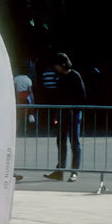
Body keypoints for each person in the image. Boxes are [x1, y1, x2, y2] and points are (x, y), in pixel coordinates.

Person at [44, 52, 86, 182]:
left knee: (74, 142)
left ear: (62, 64)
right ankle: (60, 170)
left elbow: (82, 96)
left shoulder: (75, 76)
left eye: (56, 65)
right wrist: (57, 113)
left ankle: (74, 171)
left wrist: (75, 108)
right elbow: (60, 97)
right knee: (61, 141)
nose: (55, 68)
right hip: (63, 113)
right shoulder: (61, 78)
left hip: (74, 113)